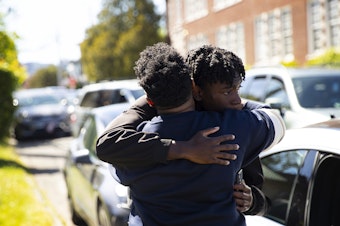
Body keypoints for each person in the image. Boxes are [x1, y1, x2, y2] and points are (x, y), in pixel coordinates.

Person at [106, 42, 285, 225]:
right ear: (194, 89)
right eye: (227, 91)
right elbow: (275, 121)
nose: (236, 100)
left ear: (150, 100)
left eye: (236, 90)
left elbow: (108, 147)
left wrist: (154, 94)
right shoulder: (233, 128)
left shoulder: (132, 144)